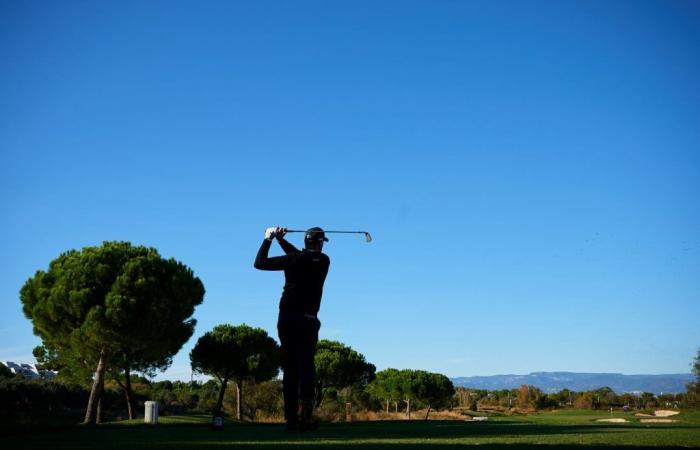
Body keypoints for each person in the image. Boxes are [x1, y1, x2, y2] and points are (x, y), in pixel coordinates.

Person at [254, 226, 330, 431]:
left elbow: (259, 263)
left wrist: (269, 239)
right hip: (307, 320)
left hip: (286, 319)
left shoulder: (294, 260)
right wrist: (279, 239)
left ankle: (291, 419)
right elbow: (300, 256)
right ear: (320, 242)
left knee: (290, 370)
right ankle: (305, 415)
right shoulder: (323, 261)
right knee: (306, 366)